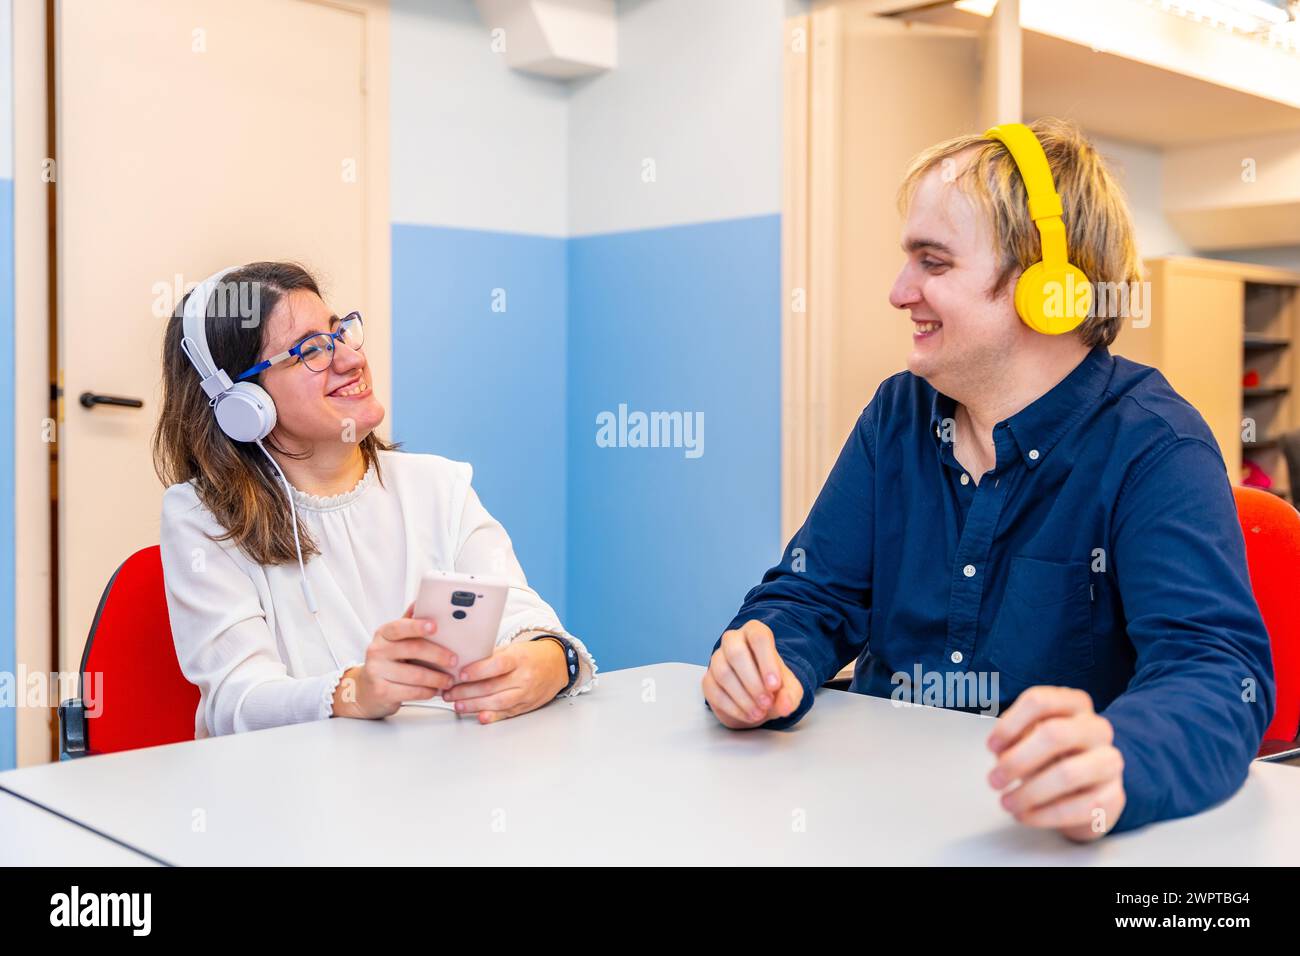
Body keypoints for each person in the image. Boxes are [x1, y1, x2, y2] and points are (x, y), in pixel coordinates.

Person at [701, 119, 1274, 840]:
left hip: (1045, 838)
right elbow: (814, 594)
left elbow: (1219, 676)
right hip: (875, 817)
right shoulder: (897, 416)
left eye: (932, 263)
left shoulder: (1155, 445)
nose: (898, 291)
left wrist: (1121, 761)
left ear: (1050, 289)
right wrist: (766, 661)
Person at [154, 261, 595, 738]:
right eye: (310, 351)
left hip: (438, 784)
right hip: (286, 797)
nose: (350, 358)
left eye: (339, 332)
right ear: (242, 404)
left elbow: (524, 619)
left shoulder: (438, 485)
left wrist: (551, 661)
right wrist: (356, 690)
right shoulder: (201, 518)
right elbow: (237, 701)